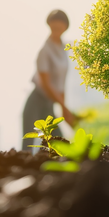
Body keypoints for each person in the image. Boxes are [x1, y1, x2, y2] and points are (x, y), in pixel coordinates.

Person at [22, 10, 74, 151]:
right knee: (28, 143)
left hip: (50, 103)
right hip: (37, 100)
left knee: (59, 143)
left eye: (60, 27)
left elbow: (61, 82)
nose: (56, 30)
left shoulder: (64, 49)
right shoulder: (44, 51)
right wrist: (63, 106)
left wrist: (64, 107)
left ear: (65, 27)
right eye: (54, 27)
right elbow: (46, 84)